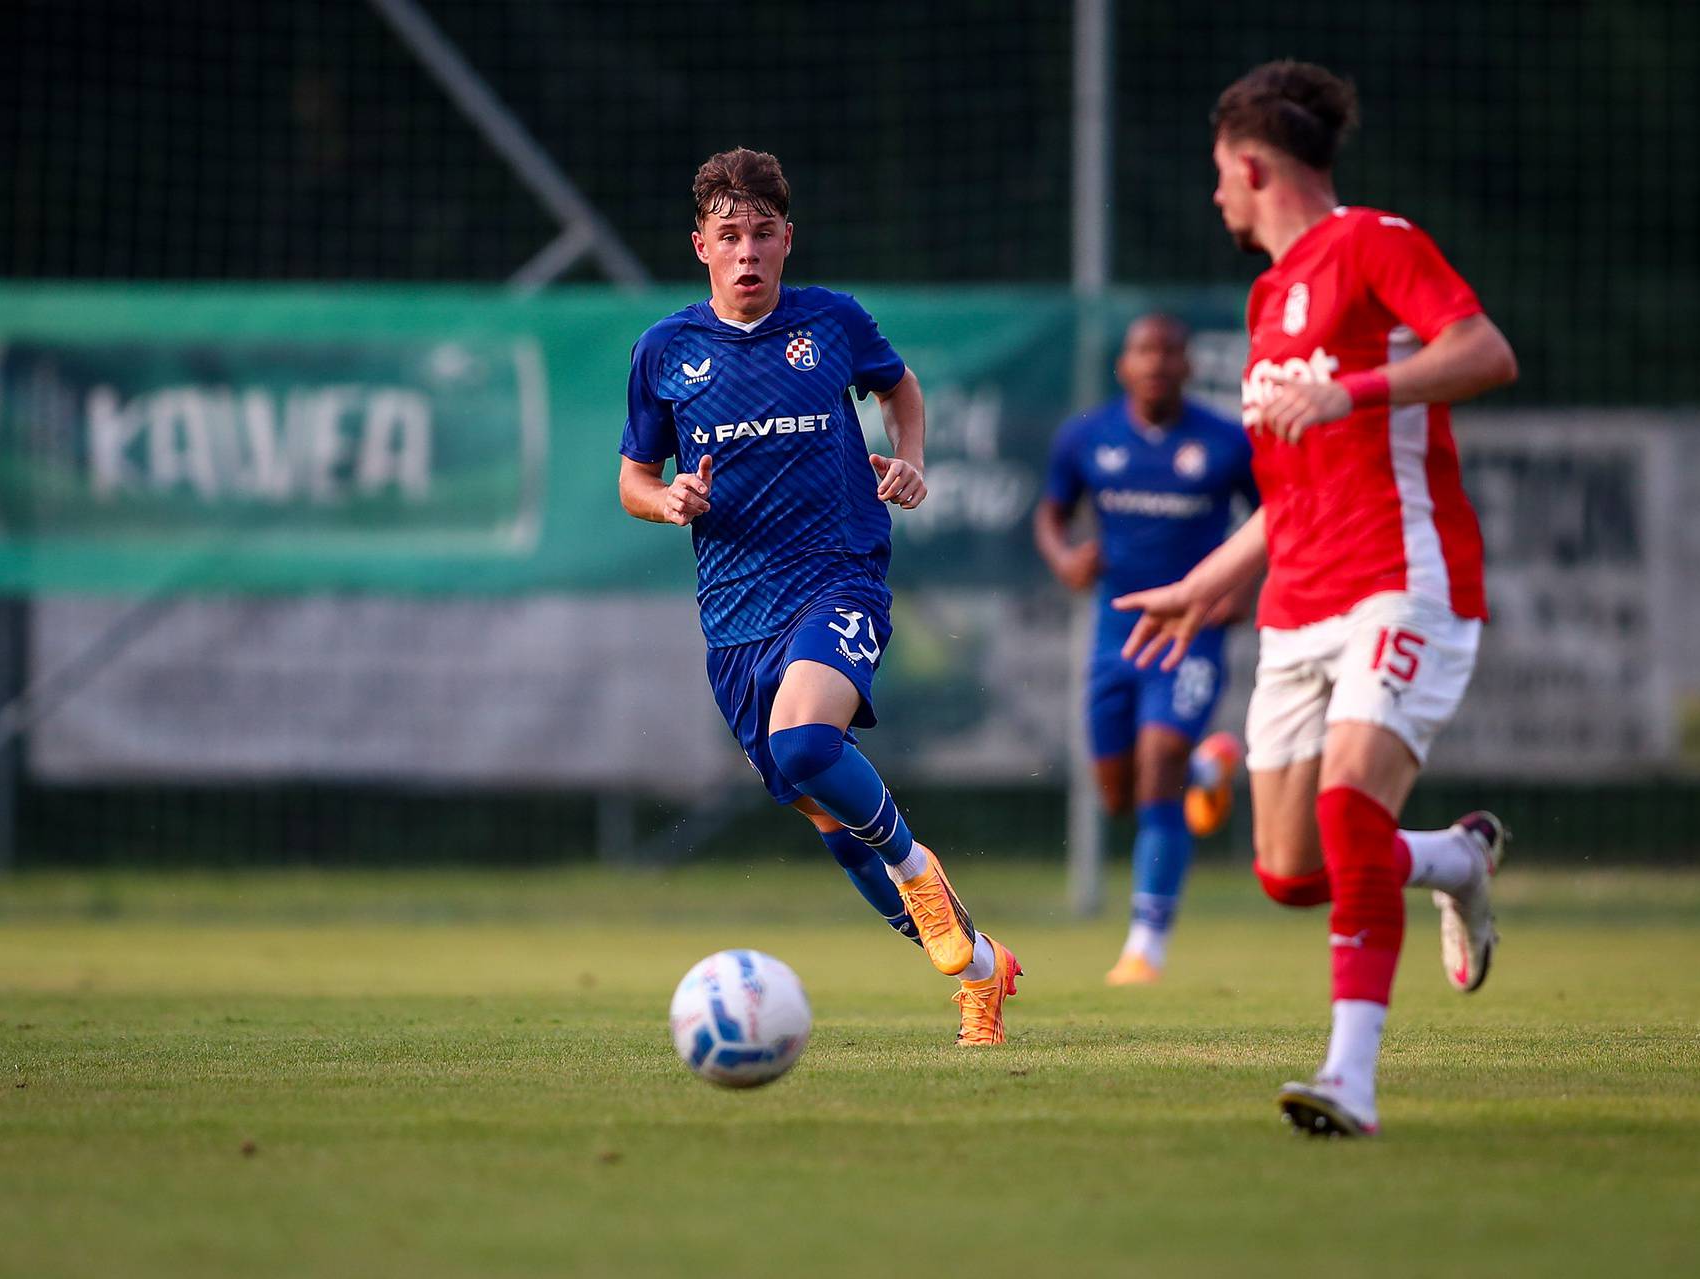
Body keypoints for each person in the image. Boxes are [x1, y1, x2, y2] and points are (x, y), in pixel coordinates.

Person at [1116, 61, 1519, 1136]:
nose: (1215, 197)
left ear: (1252, 166)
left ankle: (1349, 1077)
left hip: (1403, 582)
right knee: (1292, 873)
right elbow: (1294, 486)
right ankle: (1454, 860)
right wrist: (1215, 577)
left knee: (1347, 813)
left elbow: (1485, 351)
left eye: (1219, 175)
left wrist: (1355, 387)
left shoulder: (1378, 242)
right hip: (1295, 603)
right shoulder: (1262, 298)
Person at [618, 148, 1021, 1045]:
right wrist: (668, 499)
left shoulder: (831, 322)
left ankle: (919, 867)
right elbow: (634, 478)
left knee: (807, 743)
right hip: (733, 617)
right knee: (830, 814)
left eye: (763, 233)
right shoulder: (665, 351)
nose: (749, 251)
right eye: (730, 236)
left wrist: (909, 458)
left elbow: (899, 387)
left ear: (788, 239)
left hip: (837, 575)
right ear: (701, 247)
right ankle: (983, 971)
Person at [1034, 314, 1259, 985]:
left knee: (1159, 756)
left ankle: (1146, 945)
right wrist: (1064, 557)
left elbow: (1279, 514)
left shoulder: (1225, 442)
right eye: (1144, 351)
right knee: (1118, 794)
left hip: (1191, 632)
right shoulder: (1086, 437)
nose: (1157, 362)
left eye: (1170, 351)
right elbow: (1049, 512)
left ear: (1187, 366)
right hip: (1114, 634)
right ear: (1123, 366)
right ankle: (1205, 774)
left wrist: (1241, 589)